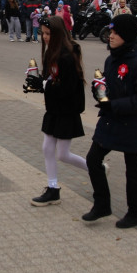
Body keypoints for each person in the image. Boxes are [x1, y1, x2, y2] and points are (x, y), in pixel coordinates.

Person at [82, 14, 137, 228]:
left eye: (115, 33)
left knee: (132, 167)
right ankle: (102, 205)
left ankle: (136, 212)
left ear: (127, 35)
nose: (110, 36)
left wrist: (114, 105)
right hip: (111, 119)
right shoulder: (112, 57)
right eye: (110, 32)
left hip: (133, 122)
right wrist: (99, 90)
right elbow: (109, 83)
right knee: (93, 159)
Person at [26, 15, 88, 206]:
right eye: (43, 33)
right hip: (54, 109)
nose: (44, 37)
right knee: (47, 148)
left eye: (48, 33)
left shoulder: (67, 57)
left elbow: (67, 88)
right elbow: (52, 82)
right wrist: (38, 85)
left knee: (62, 154)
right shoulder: (51, 53)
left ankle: (96, 168)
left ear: (59, 33)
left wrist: (44, 85)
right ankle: (53, 189)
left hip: (67, 110)